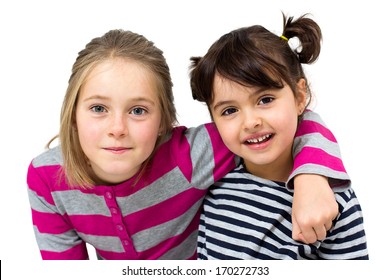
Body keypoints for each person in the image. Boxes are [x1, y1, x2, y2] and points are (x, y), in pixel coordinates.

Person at [27, 28, 348, 260]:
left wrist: (311, 178)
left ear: (165, 122)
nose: (117, 129)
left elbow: (287, 120)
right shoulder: (46, 180)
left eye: (138, 110)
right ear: (72, 114)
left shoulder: (189, 156)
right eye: (98, 109)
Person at [190, 13, 368, 259]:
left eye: (265, 100)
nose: (251, 122)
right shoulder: (213, 180)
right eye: (229, 110)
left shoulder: (334, 201)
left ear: (299, 96)